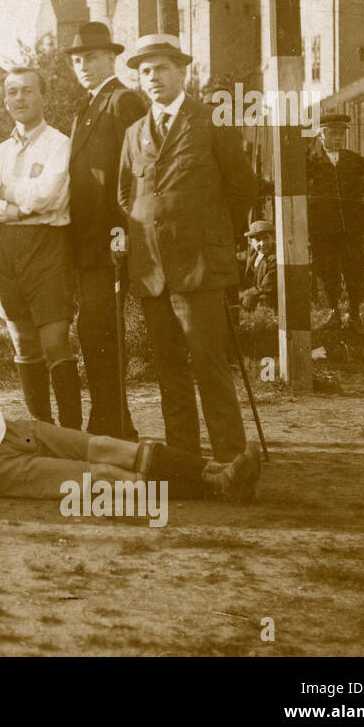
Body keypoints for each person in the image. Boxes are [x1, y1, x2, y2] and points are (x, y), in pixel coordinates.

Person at [0, 323, 255, 501]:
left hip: (9, 434)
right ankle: (214, 489)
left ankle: (211, 470)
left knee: (105, 447)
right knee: (98, 479)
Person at [116, 33, 258, 477]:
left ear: (182, 71)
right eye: (144, 71)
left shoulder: (210, 121)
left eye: (161, 68)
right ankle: (184, 459)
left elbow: (242, 188)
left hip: (199, 268)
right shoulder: (134, 132)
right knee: (169, 368)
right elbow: (126, 194)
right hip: (152, 270)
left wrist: (213, 236)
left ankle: (232, 457)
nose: (152, 77)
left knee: (208, 364)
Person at [0, 67, 82, 428]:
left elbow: (52, 195)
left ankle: (69, 432)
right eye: (12, 92)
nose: (19, 98)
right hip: (6, 247)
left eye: (27, 91)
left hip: (47, 245)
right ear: (5, 100)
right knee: (23, 342)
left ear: (44, 97)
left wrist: (9, 194)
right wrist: (22, 203)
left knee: (54, 342)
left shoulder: (60, 144)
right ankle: (41, 429)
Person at [66, 21, 147, 438]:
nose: (84, 66)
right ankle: (109, 421)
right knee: (93, 330)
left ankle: (114, 426)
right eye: (78, 60)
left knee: (101, 330)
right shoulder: (87, 106)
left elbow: (135, 170)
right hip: (85, 243)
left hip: (110, 242)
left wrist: (124, 230)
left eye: (92, 58)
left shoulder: (124, 101)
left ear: (111, 58)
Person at [307, 112, 364, 331]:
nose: (338, 138)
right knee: (326, 270)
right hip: (322, 228)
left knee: (354, 269)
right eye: (333, 133)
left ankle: (354, 314)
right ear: (320, 135)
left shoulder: (352, 159)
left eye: (341, 133)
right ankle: (333, 313)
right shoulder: (310, 160)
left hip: (351, 227)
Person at [239, 220, 278, 313]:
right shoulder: (253, 252)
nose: (263, 243)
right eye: (258, 240)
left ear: (272, 238)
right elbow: (238, 257)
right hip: (255, 291)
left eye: (266, 238)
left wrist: (244, 294)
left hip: (269, 293)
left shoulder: (275, 258)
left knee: (249, 300)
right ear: (251, 242)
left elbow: (265, 286)